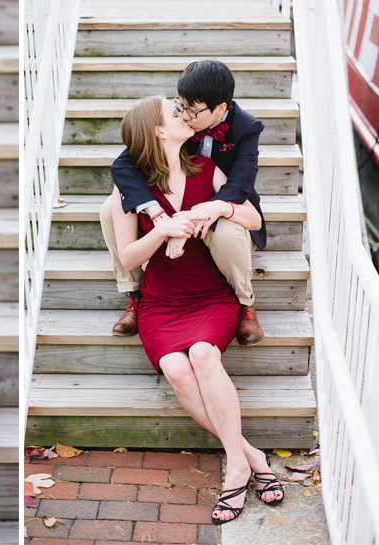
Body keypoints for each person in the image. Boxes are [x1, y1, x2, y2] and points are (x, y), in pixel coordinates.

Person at [110, 96, 284, 524]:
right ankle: (250, 455)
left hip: (208, 294)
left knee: (204, 355)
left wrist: (219, 207)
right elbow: (129, 257)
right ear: (158, 131)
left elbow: (255, 221)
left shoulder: (207, 171)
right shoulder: (129, 190)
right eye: (175, 113)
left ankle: (236, 468)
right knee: (175, 368)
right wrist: (163, 229)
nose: (185, 116)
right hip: (161, 302)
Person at [102, 59, 266, 346]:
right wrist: (158, 216)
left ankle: (244, 302)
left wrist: (207, 212)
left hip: (221, 201)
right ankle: (136, 293)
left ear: (220, 109)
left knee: (226, 229)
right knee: (111, 208)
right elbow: (123, 165)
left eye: (192, 110)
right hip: (178, 194)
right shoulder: (178, 123)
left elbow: (240, 184)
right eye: (180, 105)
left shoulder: (247, 128)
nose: (184, 115)